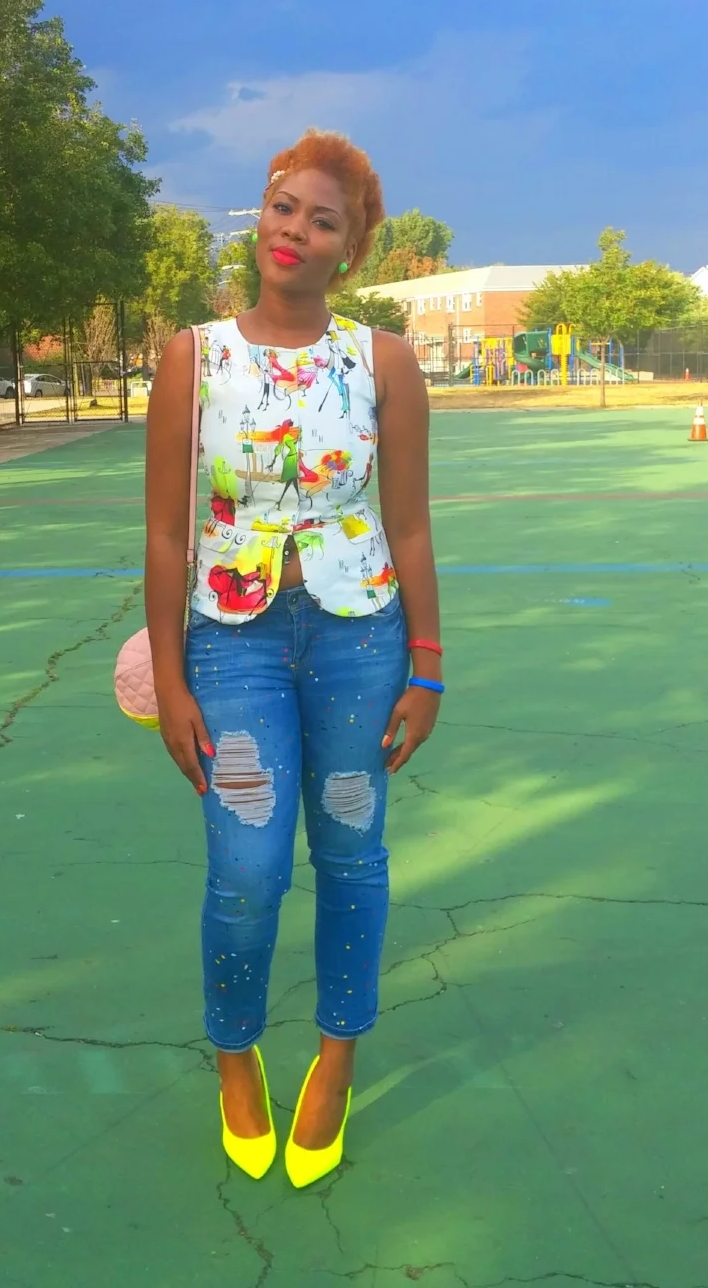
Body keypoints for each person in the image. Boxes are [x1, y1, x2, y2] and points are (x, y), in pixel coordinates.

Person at [145, 130, 441, 1187]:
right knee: (248, 865)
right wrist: (170, 678)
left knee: (352, 851)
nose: (294, 230)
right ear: (261, 212)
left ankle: (336, 1056)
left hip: (361, 637)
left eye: (324, 220)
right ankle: (236, 1055)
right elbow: (166, 535)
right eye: (283, 206)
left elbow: (410, 525)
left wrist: (427, 662)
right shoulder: (192, 358)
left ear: (348, 251)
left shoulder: (382, 361)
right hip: (232, 645)